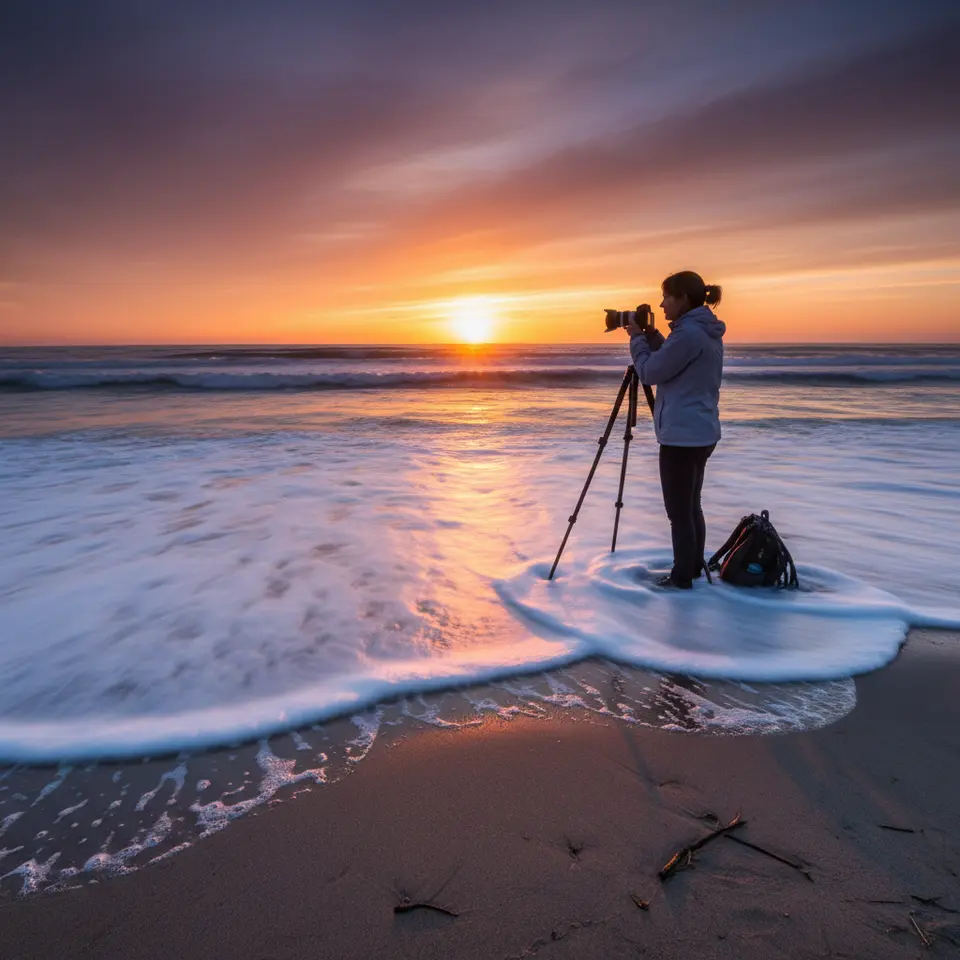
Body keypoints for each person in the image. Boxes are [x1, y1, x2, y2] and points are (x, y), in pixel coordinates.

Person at [624, 271, 725, 589]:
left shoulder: (690, 335)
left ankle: (682, 578)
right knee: (691, 505)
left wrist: (637, 340)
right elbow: (672, 358)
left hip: (682, 435)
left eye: (666, 297)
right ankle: (692, 567)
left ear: (683, 298)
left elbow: (650, 371)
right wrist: (652, 335)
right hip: (701, 429)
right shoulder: (701, 331)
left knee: (679, 512)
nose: (662, 303)